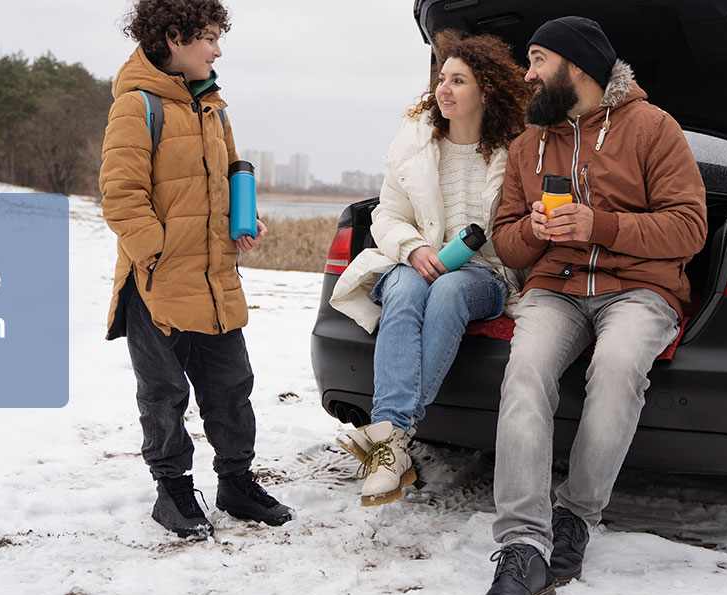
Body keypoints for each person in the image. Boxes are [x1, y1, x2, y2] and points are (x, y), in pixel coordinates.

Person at [480, 16, 706, 595]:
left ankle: (575, 516)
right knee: (524, 372)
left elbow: (689, 228)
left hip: (639, 288)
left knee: (617, 368)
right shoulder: (527, 144)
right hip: (554, 288)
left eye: (537, 59)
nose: (527, 74)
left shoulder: (654, 128)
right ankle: (522, 546)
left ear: (576, 65)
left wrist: (598, 226)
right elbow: (506, 242)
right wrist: (532, 232)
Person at [98, 0, 291, 539]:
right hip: (157, 282)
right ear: (175, 37)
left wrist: (241, 219)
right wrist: (157, 255)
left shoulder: (214, 106)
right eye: (208, 38)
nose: (217, 50)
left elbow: (227, 179)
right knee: (163, 393)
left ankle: (236, 483)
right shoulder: (136, 106)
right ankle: (173, 492)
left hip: (215, 277)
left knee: (231, 386)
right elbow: (121, 196)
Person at [329, 31, 529, 507]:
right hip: (413, 259)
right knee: (402, 291)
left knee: (449, 291)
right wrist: (414, 248)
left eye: (458, 80)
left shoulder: (516, 151)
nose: (444, 88)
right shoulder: (416, 143)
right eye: (442, 78)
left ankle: (389, 433)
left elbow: (517, 229)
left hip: (484, 273)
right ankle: (394, 442)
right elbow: (387, 214)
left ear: (486, 91)